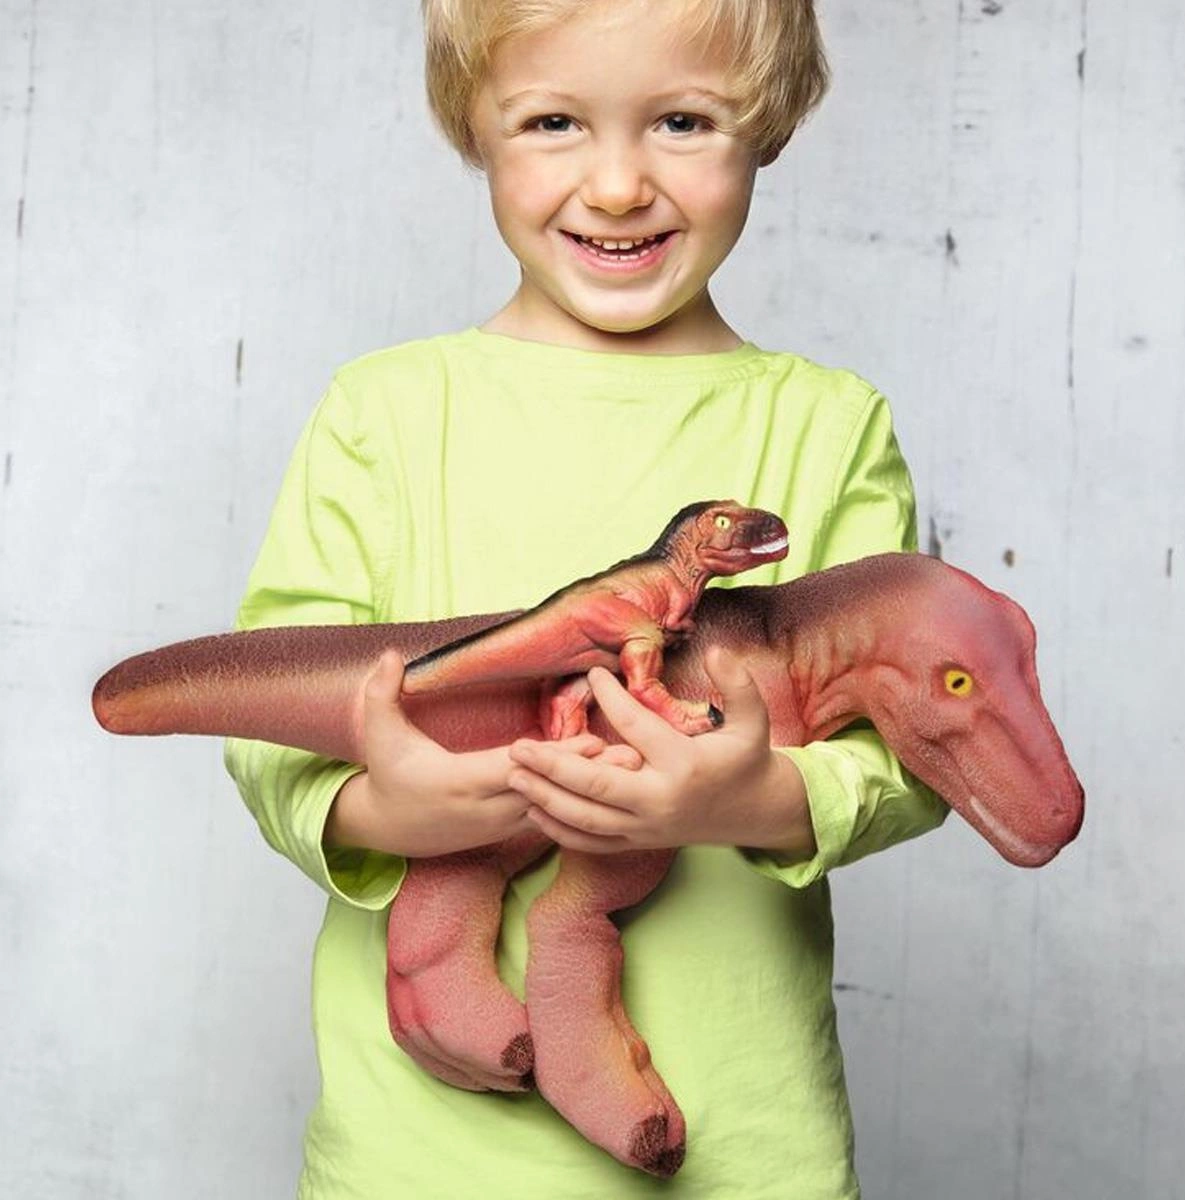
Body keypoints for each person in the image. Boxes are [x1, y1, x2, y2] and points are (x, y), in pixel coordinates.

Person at [225, 1, 948, 1196]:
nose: (617, 187)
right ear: (473, 125)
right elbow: (272, 723)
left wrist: (758, 796)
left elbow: (916, 740)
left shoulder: (828, 425)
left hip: (747, 1149)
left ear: (767, 126)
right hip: (414, 1163)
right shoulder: (383, 413)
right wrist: (384, 807)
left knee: (585, 901)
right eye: (553, 121)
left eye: (683, 121)